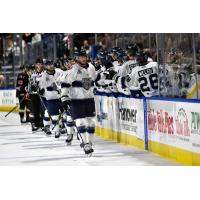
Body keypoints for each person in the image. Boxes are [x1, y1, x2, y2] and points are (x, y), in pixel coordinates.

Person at [63, 49, 96, 155]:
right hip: (76, 101)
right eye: (81, 57)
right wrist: (64, 97)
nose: (83, 58)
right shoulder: (73, 70)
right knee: (80, 122)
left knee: (91, 122)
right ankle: (85, 143)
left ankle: (89, 143)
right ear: (76, 59)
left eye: (84, 56)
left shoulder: (91, 67)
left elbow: (95, 80)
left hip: (89, 100)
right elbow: (65, 84)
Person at [40, 60, 63, 138]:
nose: (50, 66)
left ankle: (69, 131)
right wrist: (41, 90)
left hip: (62, 97)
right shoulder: (43, 76)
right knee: (55, 116)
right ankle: (57, 131)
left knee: (67, 115)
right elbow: (41, 88)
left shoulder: (59, 71)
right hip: (51, 98)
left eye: (51, 64)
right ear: (46, 66)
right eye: (48, 65)